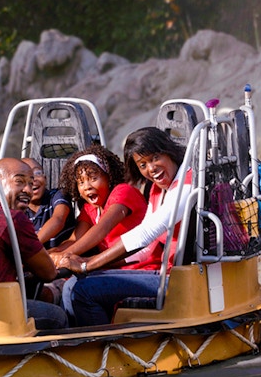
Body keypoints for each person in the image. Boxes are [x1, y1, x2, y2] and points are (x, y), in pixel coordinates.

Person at [55, 128, 193, 326]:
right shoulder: (158, 189)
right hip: (165, 272)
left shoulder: (186, 184)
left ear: (169, 151)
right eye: (143, 165)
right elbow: (146, 249)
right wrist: (90, 261)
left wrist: (87, 265)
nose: (151, 168)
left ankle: (103, 348)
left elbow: (146, 233)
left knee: (84, 291)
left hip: (178, 278)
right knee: (72, 286)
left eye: (155, 158)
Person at [0, 157, 68, 330]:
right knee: (58, 316)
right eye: (19, 182)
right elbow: (48, 273)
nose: (28, 190)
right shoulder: (14, 219)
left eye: (30, 183)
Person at [51, 145, 146, 260]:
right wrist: (50, 254)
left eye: (93, 179)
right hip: (110, 269)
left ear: (109, 177)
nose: (87, 187)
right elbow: (75, 240)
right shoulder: (89, 208)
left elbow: (103, 228)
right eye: (81, 182)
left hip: (142, 268)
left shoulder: (124, 191)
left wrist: (65, 255)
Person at [21, 157, 74, 248]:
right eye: (25, 177)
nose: (33, 180)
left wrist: (32, 247)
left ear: (45, 178)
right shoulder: (20, 211)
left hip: (64, 255)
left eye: (37, 173)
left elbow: (58, 220)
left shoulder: (57, 195)